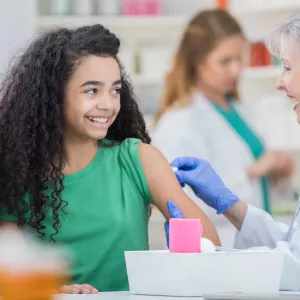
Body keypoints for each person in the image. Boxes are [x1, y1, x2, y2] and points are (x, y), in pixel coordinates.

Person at [0, 25, 221, 294]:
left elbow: (211, 245)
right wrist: (55, 292)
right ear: (54, 95)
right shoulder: (16, 174)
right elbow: (7, 276)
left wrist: (182, 254)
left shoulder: (136, 159)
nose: (108, 104)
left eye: (115, 90)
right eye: (92, 91)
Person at [167, 13, 300, 291]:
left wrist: (265, 172)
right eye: (225, 61)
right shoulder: (180, 121)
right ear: (196, 61)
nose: (236, 70)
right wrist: (233, 200)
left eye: (240, 59)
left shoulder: (239, 111)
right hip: (232, 247)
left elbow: (293, 261)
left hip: (248, 264)